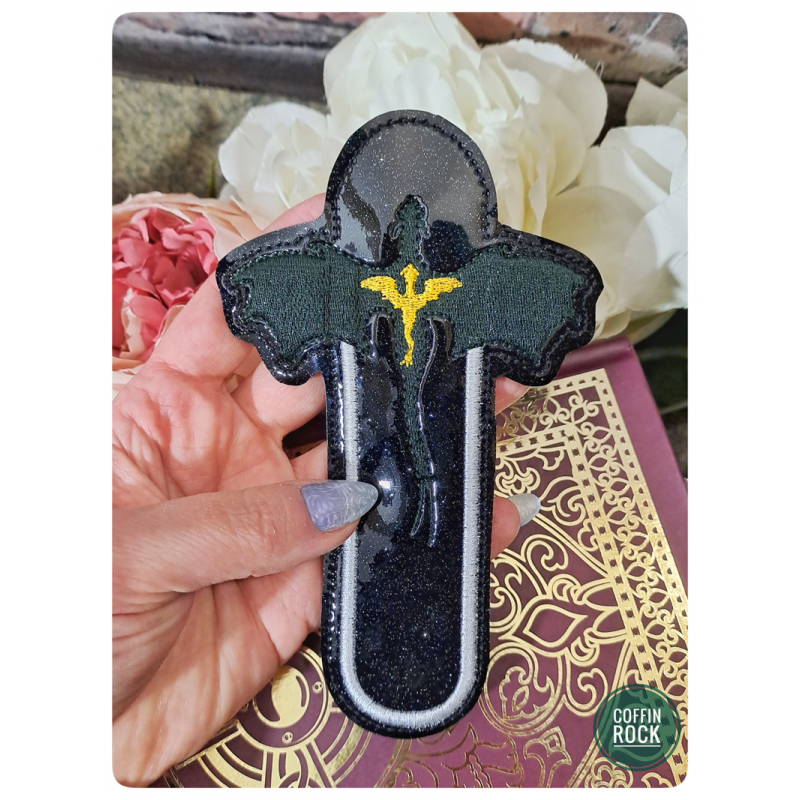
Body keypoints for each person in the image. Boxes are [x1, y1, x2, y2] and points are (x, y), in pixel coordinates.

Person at [112, 195, 538, 786]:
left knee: (427, 446)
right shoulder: (372, 283)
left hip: (417, 355)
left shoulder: (430, 285)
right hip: (396, 353)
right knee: (419, 446)